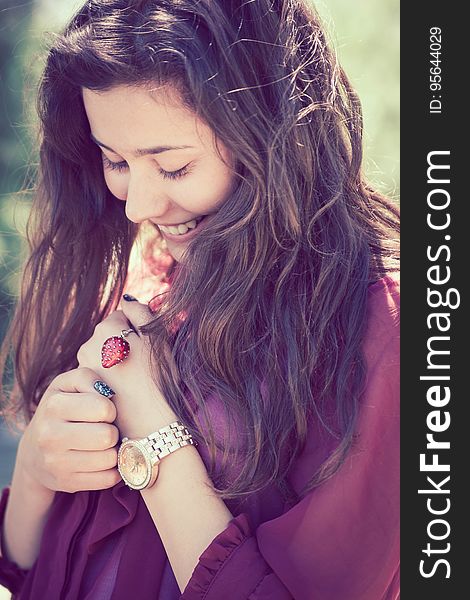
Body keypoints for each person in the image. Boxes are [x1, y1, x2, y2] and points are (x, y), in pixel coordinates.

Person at [0, 0, 400, 598]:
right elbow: (33, 565)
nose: (137, 206)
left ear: (274, 132)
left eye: (175, 166)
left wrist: (148, 421)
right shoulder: (149, 266)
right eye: (115, 161)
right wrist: (35, 469)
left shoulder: (381, 332)